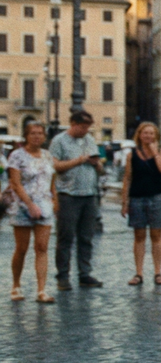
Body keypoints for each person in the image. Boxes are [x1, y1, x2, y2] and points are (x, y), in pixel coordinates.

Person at [49, 110, 105, 290]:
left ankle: (85, 274)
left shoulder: (89, 140)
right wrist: (79, 160)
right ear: (73, 123)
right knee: (66, 237)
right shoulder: (59, 141)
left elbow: (101, 169)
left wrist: (96, 163)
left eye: (88, 127)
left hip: (90, 194)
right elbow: (55, 166)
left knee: (87, 236)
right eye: (83, 126)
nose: (86, 130)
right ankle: (63, 276)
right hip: (68, 195)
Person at [8, 122, 58, 303]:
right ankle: (16, 285)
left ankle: (41, 290)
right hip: (23, 207)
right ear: (26, 136)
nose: (36, 136)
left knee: (42, 247)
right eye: (33, 133)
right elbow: (16, 183)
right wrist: (29, 205)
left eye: (40, 133)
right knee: (22, 249)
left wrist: (55, 200)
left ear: (44, 137)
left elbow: (51, 179)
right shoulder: (16, 156)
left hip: (45, 206)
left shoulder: (47, 155)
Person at [121, 122, 161, 286]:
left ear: (156, 136)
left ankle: (158, 272)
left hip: (156, 197)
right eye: (145, 133)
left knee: (157, 235)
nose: (148, 136)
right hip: (137, 198)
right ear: (139, 135)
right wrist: (124, 201)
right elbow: (128, 178)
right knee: (139, 236)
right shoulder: (132, 155)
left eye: (151, 133)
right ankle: (139, 273)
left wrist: (155, 152)